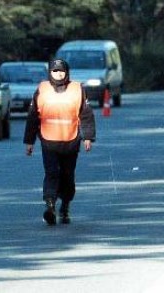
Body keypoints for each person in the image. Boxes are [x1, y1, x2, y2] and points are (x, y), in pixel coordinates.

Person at [24, 59, 96, 225]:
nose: (58, 74)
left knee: (67, 176)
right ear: (50, 72)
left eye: (61, 71)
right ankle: (50, 206)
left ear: (67, 72)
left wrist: (88, 137)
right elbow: (33, 117)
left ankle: (65, 206)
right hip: (48, 141)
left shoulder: (77, 89)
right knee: (52, 173)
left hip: (70, 141)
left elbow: (86, 114)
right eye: (55, 71)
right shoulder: (42, 89)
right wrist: (29, 142)